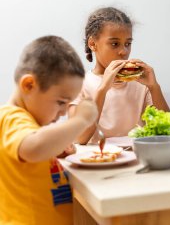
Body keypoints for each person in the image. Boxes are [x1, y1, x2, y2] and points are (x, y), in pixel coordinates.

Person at [0, 36, 98, 224]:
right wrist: (81, 119)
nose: (63, 111)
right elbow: (34, 147)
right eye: (61, 102)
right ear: (29, 85)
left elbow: (31, 155)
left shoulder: (27, 124)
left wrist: (54, 149)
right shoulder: (12, 118)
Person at [69, 7, 170, 144]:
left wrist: (154, 87)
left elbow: (168, 130)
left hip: (137, 157)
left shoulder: (140, 84)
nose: (123, 51)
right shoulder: (79, 85)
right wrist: (102, 89)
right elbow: (78, 138)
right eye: (114, 44)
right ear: (93, 44)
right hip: (100, 158)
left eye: (128, 44)